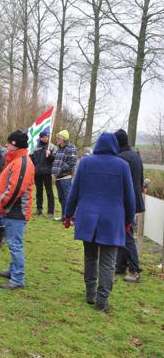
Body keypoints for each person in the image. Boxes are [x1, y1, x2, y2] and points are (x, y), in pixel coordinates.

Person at [63, 132, 135, 312]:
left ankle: (90, 293)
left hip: (88, 218)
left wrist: (68, 214)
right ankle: (102, 300)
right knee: (108, 262)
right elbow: (129, 197)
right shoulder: (122, 166)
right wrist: (128, 221)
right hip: (112, 220)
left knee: (90, 257)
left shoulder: (86, 162)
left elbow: (74, 191)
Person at [0, 130, 35, 289]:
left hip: (16, 210)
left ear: (15, 145)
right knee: (13, 242)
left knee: (15, 244)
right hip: (13, 209)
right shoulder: (18, 160)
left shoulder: (22, 162)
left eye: (8, 143)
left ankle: (18, 278)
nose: (5, 145)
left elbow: (15, 188)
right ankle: (13, 270)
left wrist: (2, 202)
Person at [114, 129, 145, 283]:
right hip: (134, 201)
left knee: (126, 236)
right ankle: (120, 266)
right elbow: (141, 180)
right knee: (123, 234)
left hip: (124, 202)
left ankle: (134, 270)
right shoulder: (136, 156)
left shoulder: (120, 158)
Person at [52, 130, 77, 222]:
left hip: (65, 177)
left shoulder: (71, 148)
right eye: (57, 137)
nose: (57, 139)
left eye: (59, 138)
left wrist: (62, 169)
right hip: (58, 177)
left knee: (68, 198)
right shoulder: (59, 148)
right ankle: (64, 216)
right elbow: (57, 160)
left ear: (64, 139)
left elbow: (72, 162)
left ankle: (71, 218)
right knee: (61, 198)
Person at [31, 128, 56, 217]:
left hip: (47, 172)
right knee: (39, 192)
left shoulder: (51, 147)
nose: (46, 138)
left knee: (49, 192)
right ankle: (39, 210)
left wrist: (50, 155)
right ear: (40, 138)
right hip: (37, 173)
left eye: (47, 137)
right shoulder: (35, 147)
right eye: (44, 137)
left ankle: (50, 211)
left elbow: (55, 159)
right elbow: (32, 159)